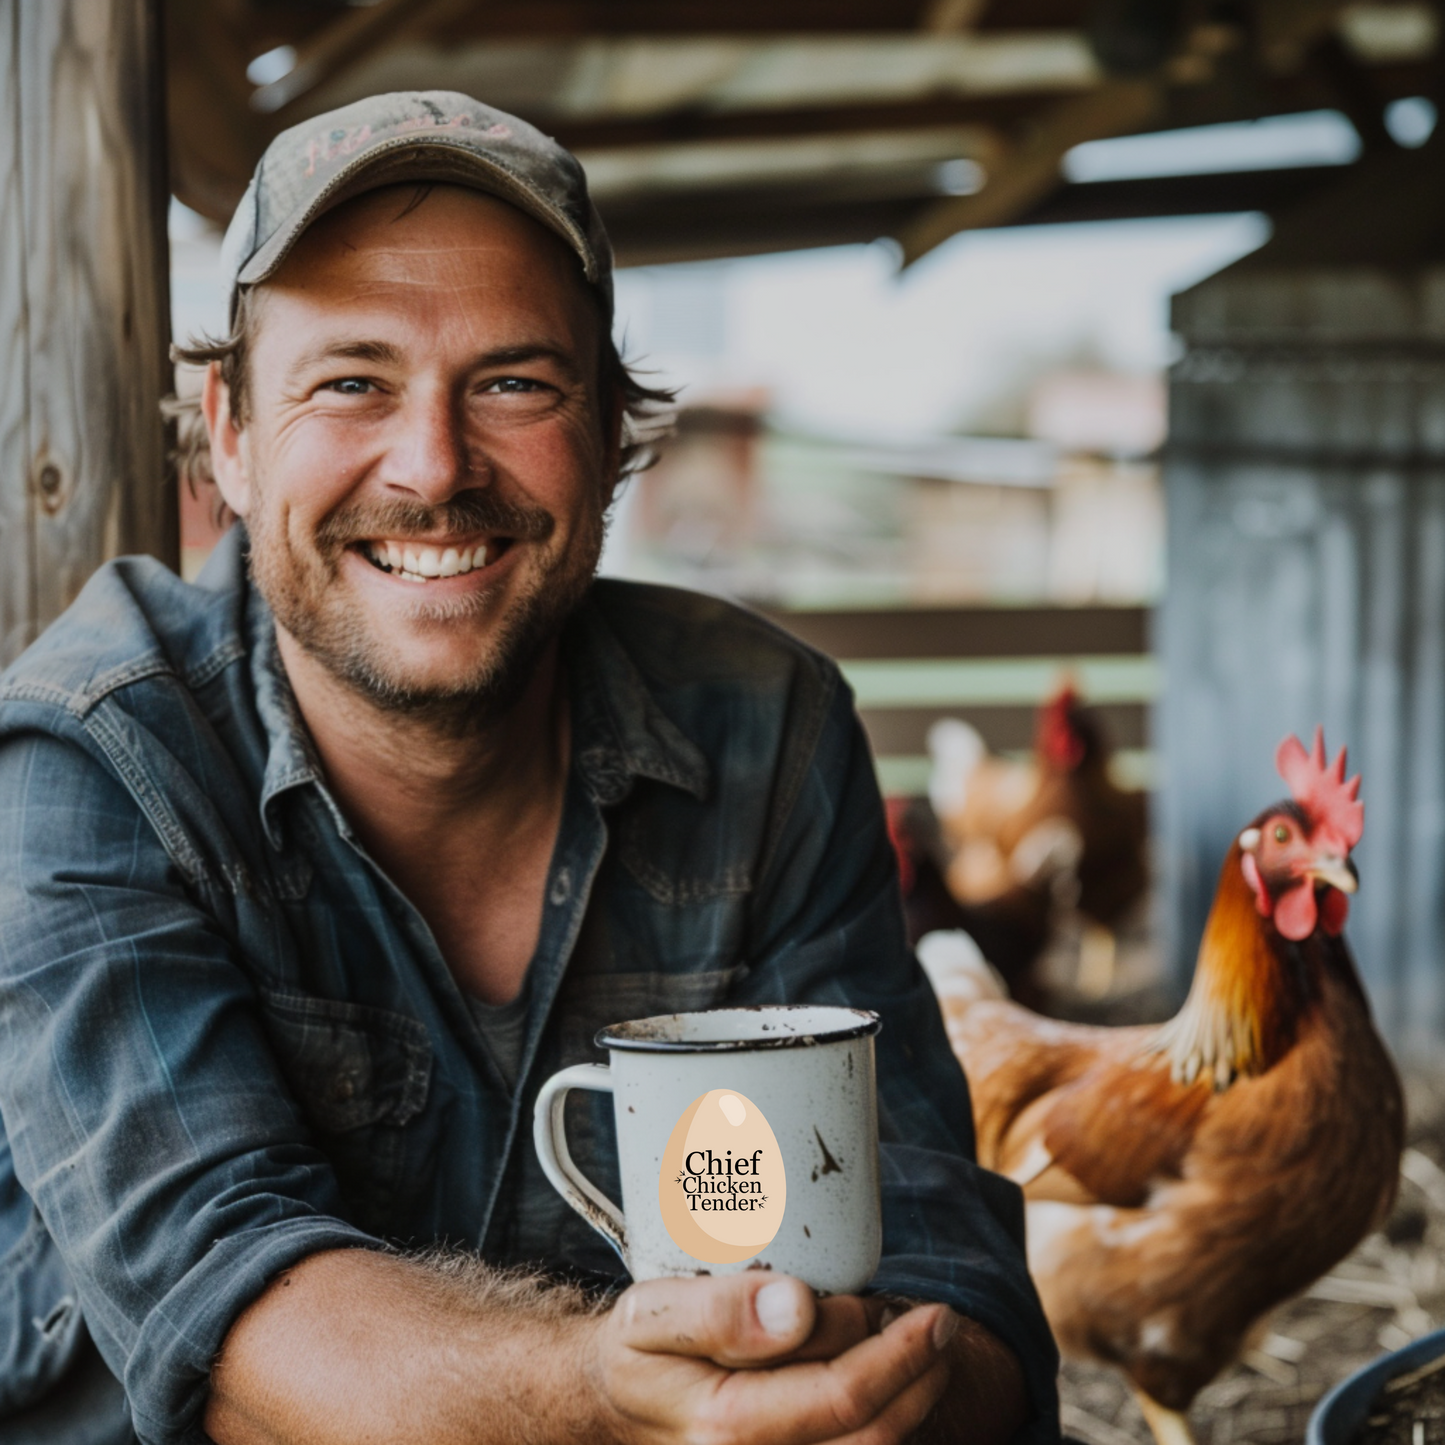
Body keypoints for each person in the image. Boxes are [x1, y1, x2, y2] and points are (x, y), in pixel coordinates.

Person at [0, 91, 1058, 1445]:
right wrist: (612, 1395)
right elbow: (231, 1314)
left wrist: (875, 1394)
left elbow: (943, 1269)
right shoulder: (93, 756)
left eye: (514, 382)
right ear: (232, 431)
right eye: (351, 381)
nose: (434, 467)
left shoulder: (765, 732)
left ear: (613, 432)